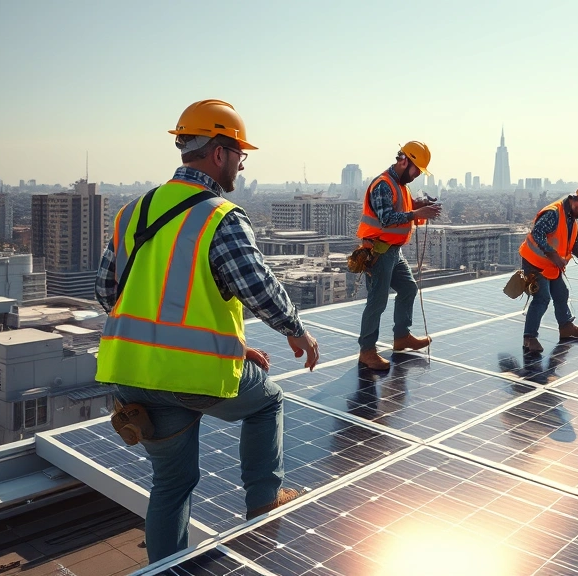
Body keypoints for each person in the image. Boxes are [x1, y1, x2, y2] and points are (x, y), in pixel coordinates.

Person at [93, 99, 320, 563]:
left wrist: (228, 342)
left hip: (132, 376)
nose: (240, 163)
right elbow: (257, 285)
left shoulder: (132, 211)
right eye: (239, 153)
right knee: (269, 402)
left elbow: (106, 292)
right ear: (218, 152)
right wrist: (296, 331)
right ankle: (263, 497)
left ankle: (163, 569)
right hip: (193, 379)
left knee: (171, 486)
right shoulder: (219, 215)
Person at [355, 142, 441, 371]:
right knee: (377, 301)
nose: (416, 176)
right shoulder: (383, 184)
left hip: (393, 251)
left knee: (408, 289)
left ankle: (402, 337)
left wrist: (418, 205)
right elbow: (386, 218)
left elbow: (399, 206)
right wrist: (416, 213)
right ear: (404, 161)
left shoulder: (400, 185)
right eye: (416, 170)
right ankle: (367, 350)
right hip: (378, 251)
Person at [518, 184, 578, 353]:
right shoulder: (554, 213)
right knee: (542, 299)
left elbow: (575, 244)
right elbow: (537, 233)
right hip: (534, 262)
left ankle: (566, 327)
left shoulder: (572, 220)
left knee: (561, 292)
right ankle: (529, 338)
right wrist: (553, 254)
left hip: (550, 265)